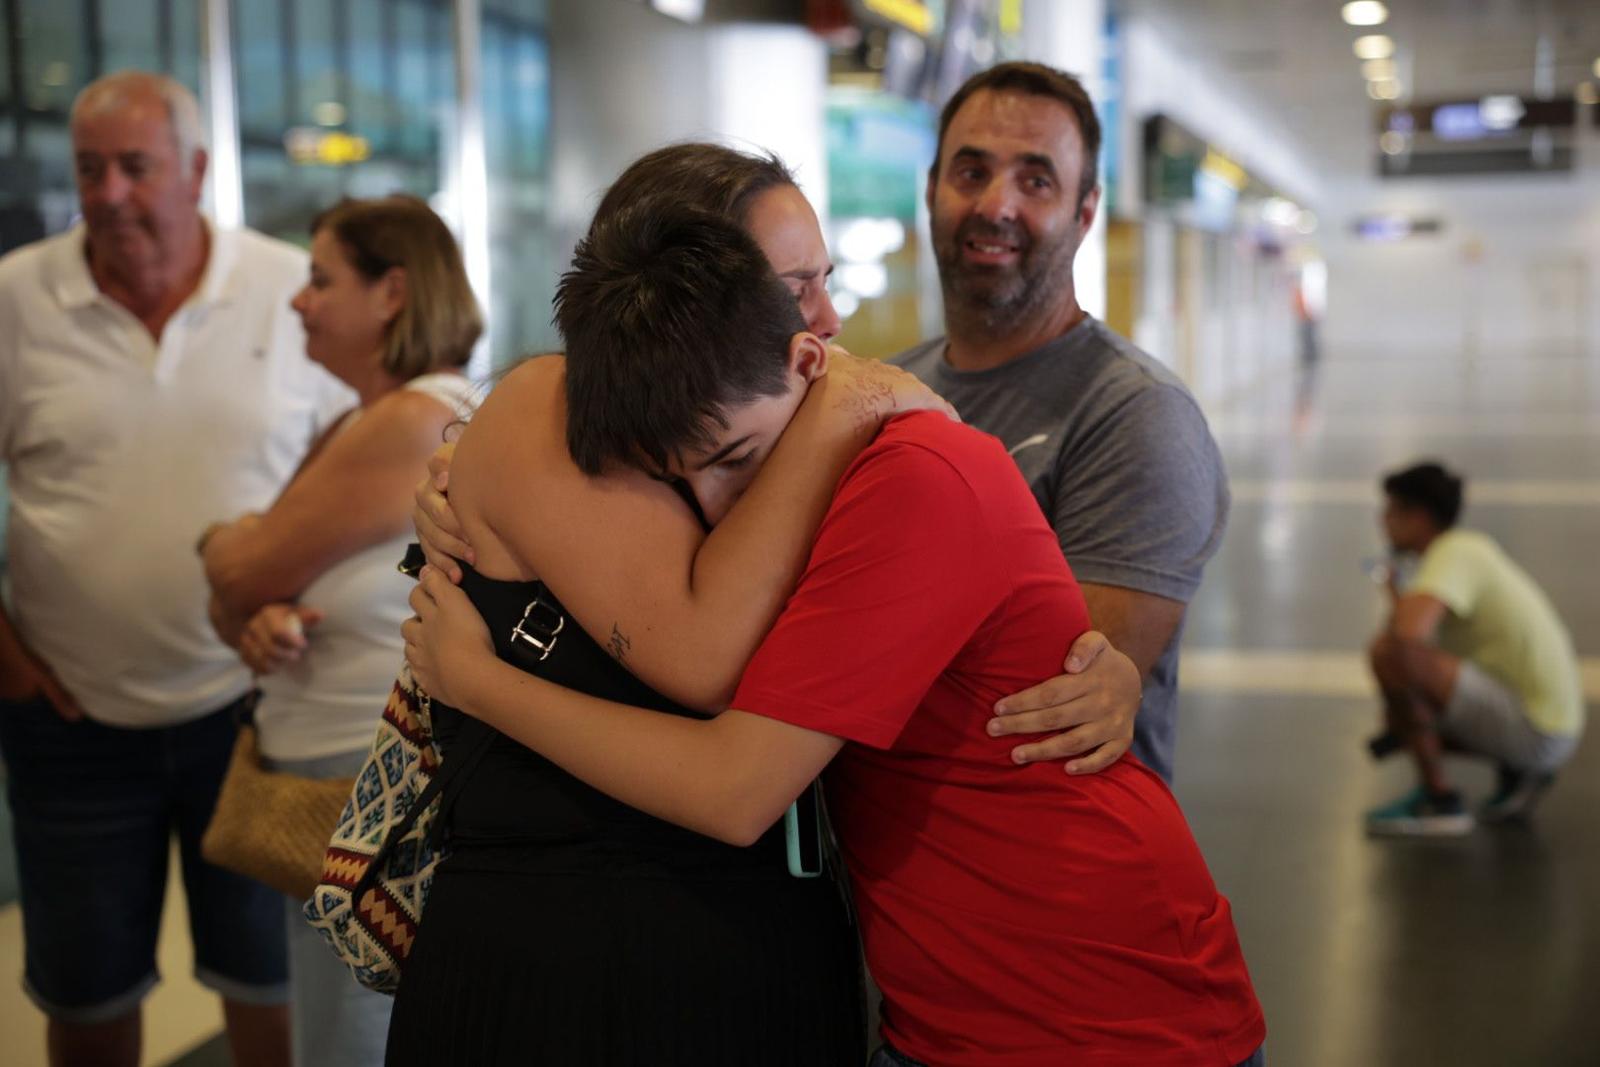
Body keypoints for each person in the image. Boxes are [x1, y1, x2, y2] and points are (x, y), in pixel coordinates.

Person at [404, 203, 1264, 1066]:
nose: (715, 505)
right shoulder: (801, 465)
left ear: (809, 363)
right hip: (953, 1001)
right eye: (677, 484)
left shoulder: (911, 479)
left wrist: (478, 682)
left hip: (1098, 1005)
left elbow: (735, 788)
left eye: (733, 459)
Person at [414, 143, 1141, 775]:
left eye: (825, 280)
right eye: (794, 292)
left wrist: (1106, 666)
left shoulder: (800, 414)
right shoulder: (558, 405)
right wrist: (841, 407)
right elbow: (707, 671)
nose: (831, 321)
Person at [0, 71, 349, 1067]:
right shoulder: (15, 296)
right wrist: (6, 660)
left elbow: (357, 452)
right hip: (69, 723)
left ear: (196, 171)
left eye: (135, 166)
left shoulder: (289, 289)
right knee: (88, 994)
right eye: (89, 169)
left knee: (271, 984)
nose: (108, 193)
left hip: (256, 711)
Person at [199, 195, 481, 1065]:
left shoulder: (412, 419)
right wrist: (255, 611)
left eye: (320, 280)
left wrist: (217, 543)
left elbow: (241, 568)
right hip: (329, 790)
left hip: (363, 800)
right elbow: (243, 597)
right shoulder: (358, 419)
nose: (299, 300)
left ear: (391, 292)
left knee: (349, 1042)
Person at [892, 62, 1230, 784]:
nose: (996, 205)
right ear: (931, 190)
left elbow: (1040, 701)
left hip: (1046, 838)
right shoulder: (891, 388)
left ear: (1084, 212)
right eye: (971, 172)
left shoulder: (1135, 415)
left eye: (1036, 181)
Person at [1364, 461, 1584, 836]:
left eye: (1392, 511)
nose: (1382, 521)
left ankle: (1439, 801)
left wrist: (1392, 587)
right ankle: (1519, 771)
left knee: (1390, 656)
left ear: (1419, 518)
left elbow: (1405, 638)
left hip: (1539, 731)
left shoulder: (1454, 553)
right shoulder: (1467, 549)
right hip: (1551, 725)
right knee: (1402, 708)